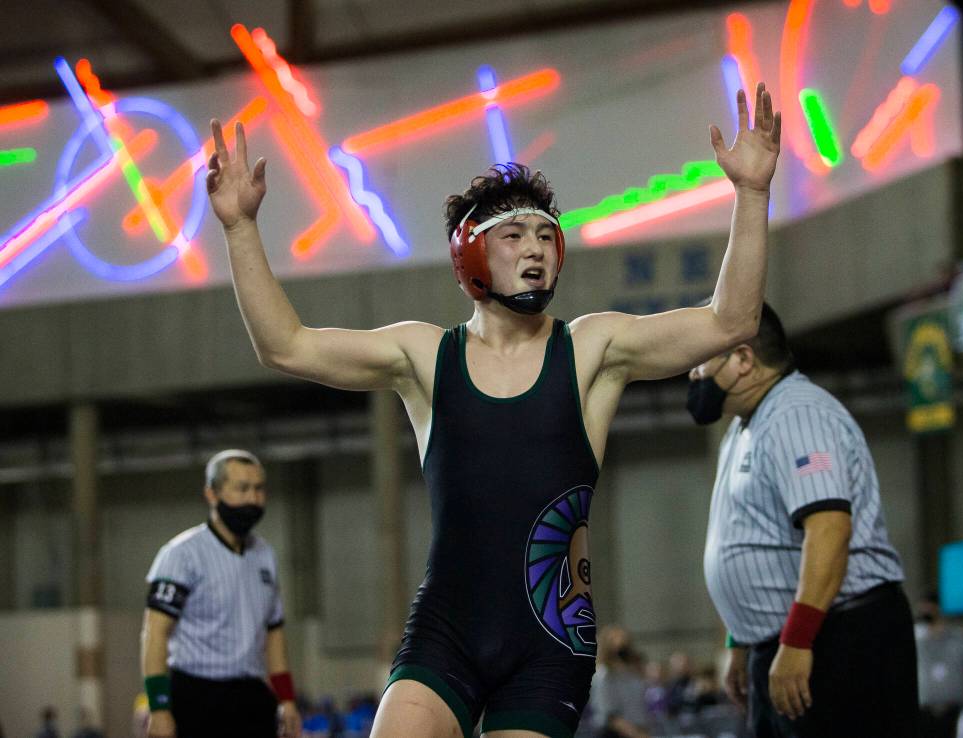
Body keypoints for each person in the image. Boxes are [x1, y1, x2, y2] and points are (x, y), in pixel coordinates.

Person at [206, 76, 781, 738]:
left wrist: (753, 194)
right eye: (514, 236)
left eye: (545, 234)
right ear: (471, 253)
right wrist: (241, 228)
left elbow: (731, 320)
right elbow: (285, 346)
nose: (535, 247)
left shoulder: (593, 349)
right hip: (447, 630)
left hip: (550, 639)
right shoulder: (426, 358)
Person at [690, 303, 918, 738]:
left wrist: (797, 639)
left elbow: (829, 528)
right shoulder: (747, 425)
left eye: (702, 360)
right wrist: (741, 642)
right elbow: (754, 536)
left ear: (742, 358)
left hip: (837, 637)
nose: (693, 374)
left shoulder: (798, 415)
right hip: (790, 639)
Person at [140, 449, 302, 738]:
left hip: (251, 696)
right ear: (212, 494)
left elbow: (274, 633)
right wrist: (159, 708)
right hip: (195, 696)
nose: (253, 498)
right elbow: (155, 633)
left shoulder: (265, 555)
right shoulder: (181, 555)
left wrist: (287, 699)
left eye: (258, 489)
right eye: (242, 489)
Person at [915, 591, 963, 738]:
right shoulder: (915, 639)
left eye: (929, 606)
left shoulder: (959, 639)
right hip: (924, 710)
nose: (925, 610)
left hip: (954, 710)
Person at [589, 626, 652, 738]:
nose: (622, 643)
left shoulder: (633, 673)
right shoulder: (604, 674)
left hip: (638, 729)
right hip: (614, 733)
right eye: (616, 639)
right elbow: (609, 715)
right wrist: (636, 734)